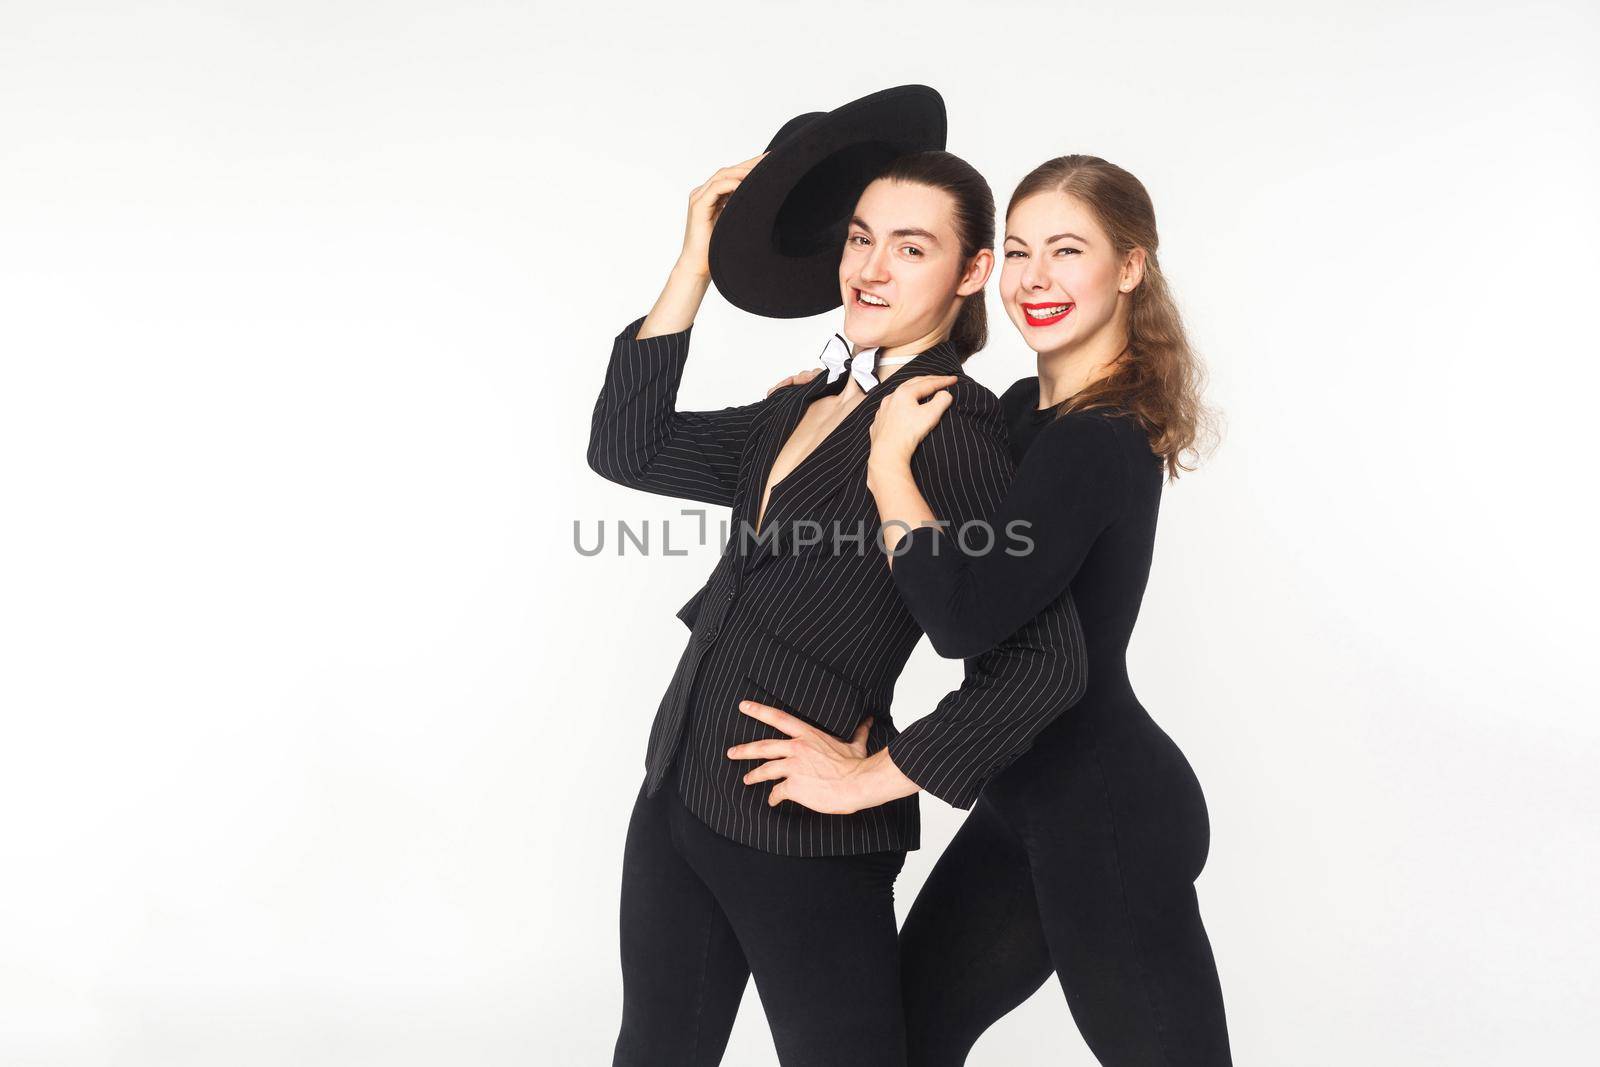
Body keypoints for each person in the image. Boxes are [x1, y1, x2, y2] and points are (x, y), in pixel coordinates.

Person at [588, 90, 1086, 1067]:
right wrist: (694, 260)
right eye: (861, 238)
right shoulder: (799, 404)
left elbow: (1042, 660)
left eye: (910, 246)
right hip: (677, 788)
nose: (870, 266)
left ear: (971, 270)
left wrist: (876, 775)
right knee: (652, 1047)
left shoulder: (952, 431)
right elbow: (626, 446)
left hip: (802, 832)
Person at [744, 155, 1233, 1065]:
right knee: (909, 1041)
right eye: (1017, 251)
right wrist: (825, 415)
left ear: (1129, 267)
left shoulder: (1098, 439)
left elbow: (964, 617)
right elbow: (935, 517)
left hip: (1106, 817)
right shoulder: (1022, 413)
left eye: (1066, 250)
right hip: (1022, 804)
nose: (1035, 278)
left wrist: (887, 464)